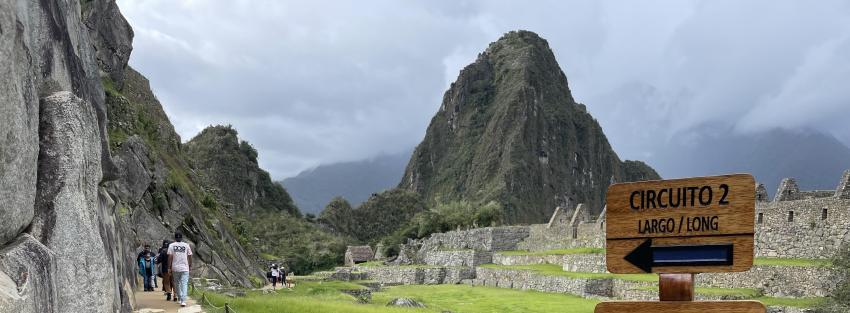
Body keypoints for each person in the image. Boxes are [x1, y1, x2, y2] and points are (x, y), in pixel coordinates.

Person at [167, 232, 192, 307]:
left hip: (175, 268)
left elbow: (170, 257)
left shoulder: (171, 245)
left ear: (175, 238)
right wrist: (190, 265)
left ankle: (180, 298)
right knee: (184, 284)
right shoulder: (186, 245)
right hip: (185, 268)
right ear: (181, 238)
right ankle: (183, 300)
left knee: (177, 283)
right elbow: (190, 256)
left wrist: (169, 267)